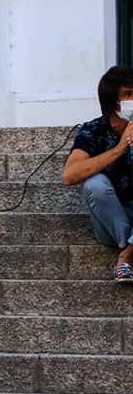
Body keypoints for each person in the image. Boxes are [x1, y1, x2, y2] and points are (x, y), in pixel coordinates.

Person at [63, 65, 133, 281]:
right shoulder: (93, 130)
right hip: (111, 222)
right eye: (129, 94)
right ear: (113, 101)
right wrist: (120, 148)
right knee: (94, 183)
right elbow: (70, 175)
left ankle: (128, 254)